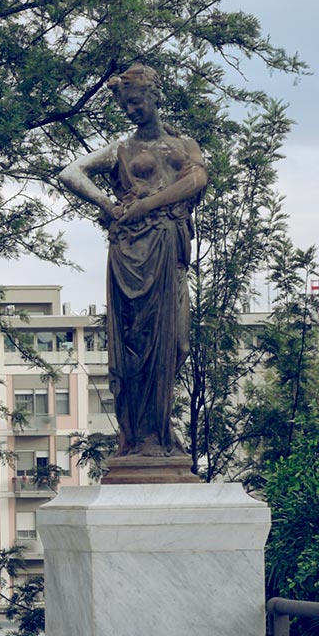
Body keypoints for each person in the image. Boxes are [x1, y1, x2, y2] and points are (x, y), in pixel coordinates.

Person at [57, 63, 207, 466]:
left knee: (176, 342)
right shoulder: (122, 149)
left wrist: (145, 204)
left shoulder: (184, 145)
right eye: (126, 106)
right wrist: (108, 205)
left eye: (137, 102)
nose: (132, 111)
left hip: (167, 245)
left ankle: (159, 429)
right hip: (131, 253)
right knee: (135, 341)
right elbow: (70, 173)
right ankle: (141, 437)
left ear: (155, 97)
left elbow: (195, 182)